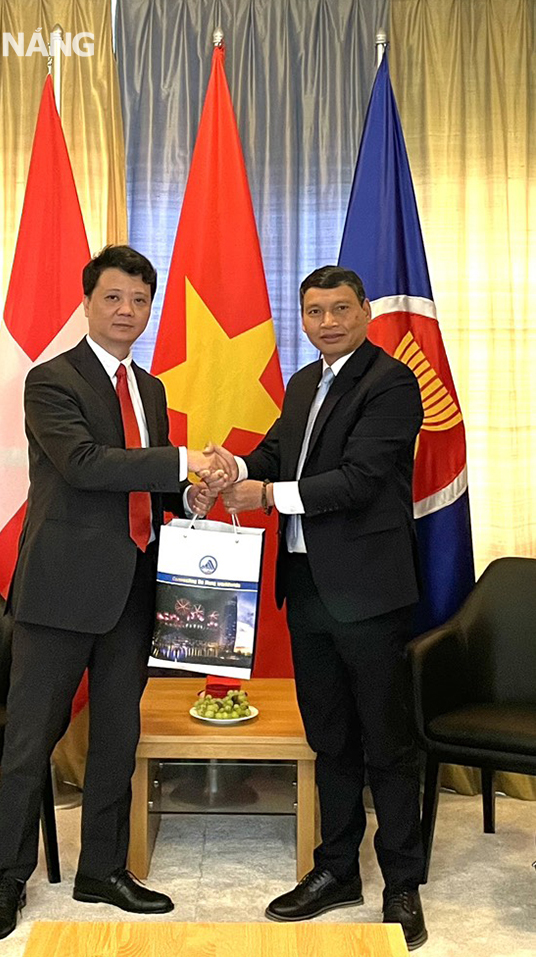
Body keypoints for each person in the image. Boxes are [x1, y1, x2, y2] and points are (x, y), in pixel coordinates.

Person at [0, 245, 232, 941]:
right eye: (114, 297)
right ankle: (7, 881)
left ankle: (102, 869)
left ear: (150, 309)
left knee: (118, 735)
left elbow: (147, 485)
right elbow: (86, 466)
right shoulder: (50, 379)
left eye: (140, 301)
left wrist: (192, 492)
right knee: (31, 741)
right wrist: (183, 459)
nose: (127, 311)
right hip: (60, 592)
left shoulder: (149, 390)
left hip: (132, 587)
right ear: (89, 302)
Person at [221, 266, 428, 950]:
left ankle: (401, 880)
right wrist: (236, 473)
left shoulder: (392, 382)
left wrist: (267, 497)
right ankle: (336, 869)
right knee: (330, 737)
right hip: (307, 586)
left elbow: (362, 479)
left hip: (368, 593)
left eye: (341, 308)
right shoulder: (305, 381)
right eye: (315, 311)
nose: (329, 321)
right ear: (303, 319)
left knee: (388, 743)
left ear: (365, 311)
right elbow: (282, 451)